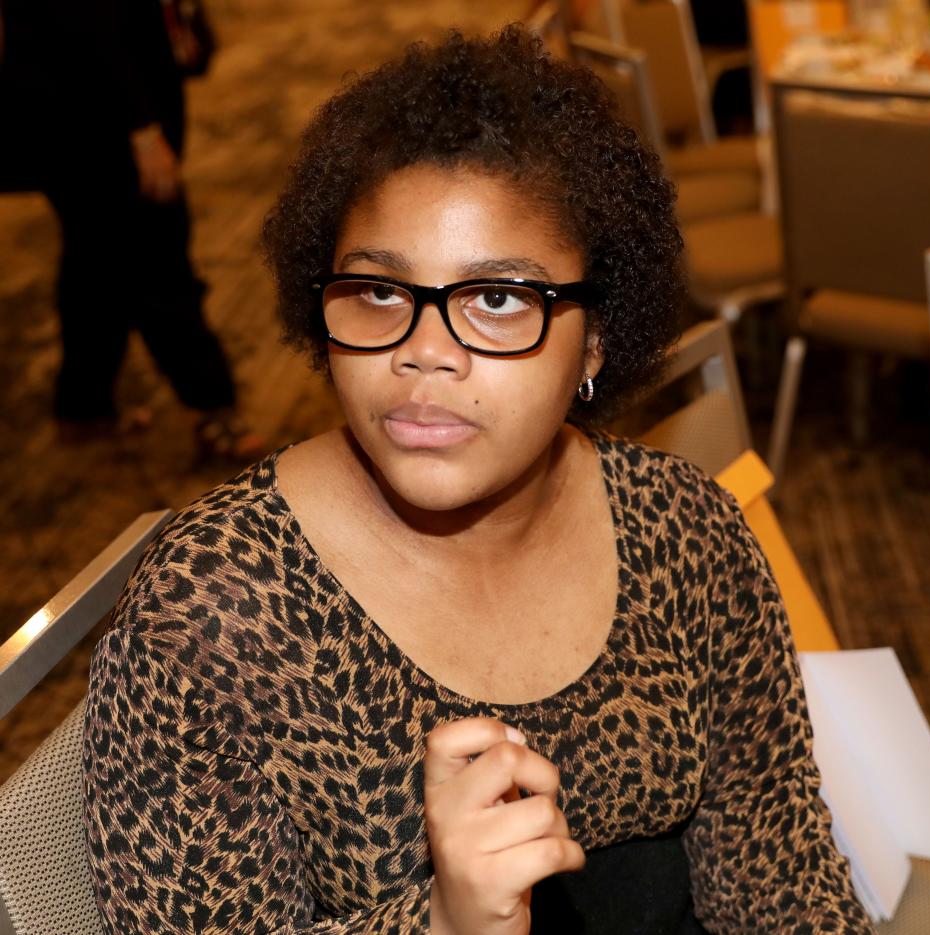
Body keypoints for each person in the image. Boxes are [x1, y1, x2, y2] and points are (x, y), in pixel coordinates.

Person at [81, 26, 875, 934]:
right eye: (380, 291)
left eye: (498, 298)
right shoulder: (212, 615)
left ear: (598, 337)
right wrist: (441, 924)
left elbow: (784, 882)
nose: (423, 353)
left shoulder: (685, 529)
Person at [0, 0, 260, 458]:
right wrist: (140, 129)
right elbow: (83, 24)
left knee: (95, 258)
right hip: (94, 121)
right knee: (158, 261)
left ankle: (83, 408)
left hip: (92, 113)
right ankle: (210, 406)